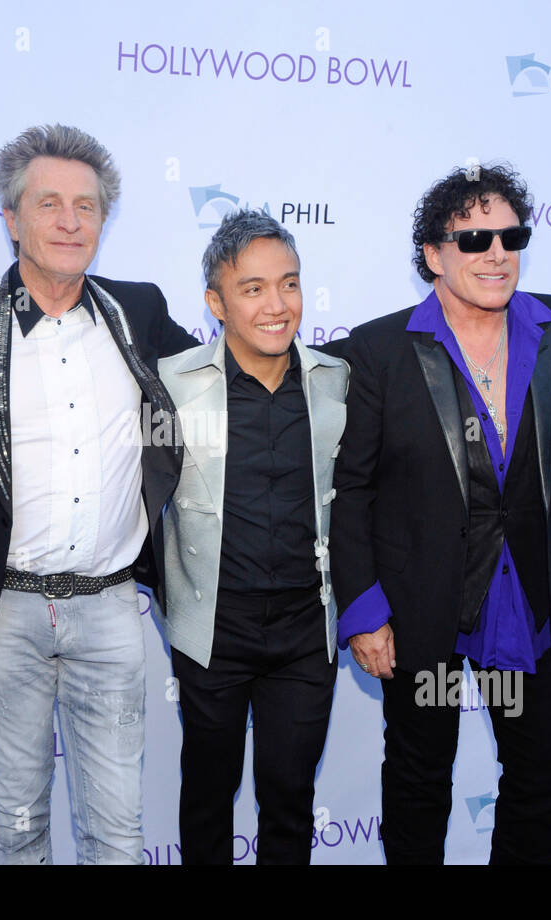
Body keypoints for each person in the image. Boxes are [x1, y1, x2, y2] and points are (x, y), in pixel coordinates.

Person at [330, 163, 551, 865]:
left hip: (532, 594)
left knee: (544, 771)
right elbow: (352, 490)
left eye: (510, 235)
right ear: (433, 256)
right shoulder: (380, 348)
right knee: (419, 779)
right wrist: (363, 607)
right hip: (422, 599)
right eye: (474, 239)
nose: (497, 253)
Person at [0, 124, 198, 864]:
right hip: (4, 612)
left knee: (118, 833)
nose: (71, 221)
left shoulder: (139, 312)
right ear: (12, 219)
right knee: (17, 826)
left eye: (87, 206)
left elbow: (221, 393)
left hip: (110, 610)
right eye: (50, 204)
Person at [158, 209, 347, 864]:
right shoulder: (172, 384)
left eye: (289, 284)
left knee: (289, 797)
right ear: (216, 302)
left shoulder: (338, 382)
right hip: (213, 632)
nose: (277, 304)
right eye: (254, 288)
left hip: (305, 633)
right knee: (209, 796)